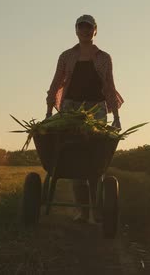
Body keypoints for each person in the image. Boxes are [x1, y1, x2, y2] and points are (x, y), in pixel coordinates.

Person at [46, 14, 124, 223]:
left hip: (96, 109)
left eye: (89, 27)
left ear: (95, 30)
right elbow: (56, 82)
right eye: (81, 27)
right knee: (74, 158)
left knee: (94, 158)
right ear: (76, 30)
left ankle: (97, 210)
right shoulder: (66, 56)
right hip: (71, 107)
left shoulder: (104, 57)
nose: (85, 31)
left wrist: (115, 116)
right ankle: (83, 211)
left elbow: (109, 86)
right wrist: (49, 113)